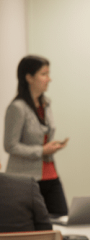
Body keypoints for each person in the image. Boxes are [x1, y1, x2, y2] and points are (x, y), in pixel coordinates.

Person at [4, 55, 69, 216]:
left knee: (62, 217)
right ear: (29, 78)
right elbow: (10, 145)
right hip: (26, 178)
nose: (49, 79)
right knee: (34, 224)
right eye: (44, 74)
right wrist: (41, 150)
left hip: (50, 173)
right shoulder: (17, 108)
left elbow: (43, 134)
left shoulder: (46, 103)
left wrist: (52, 147)